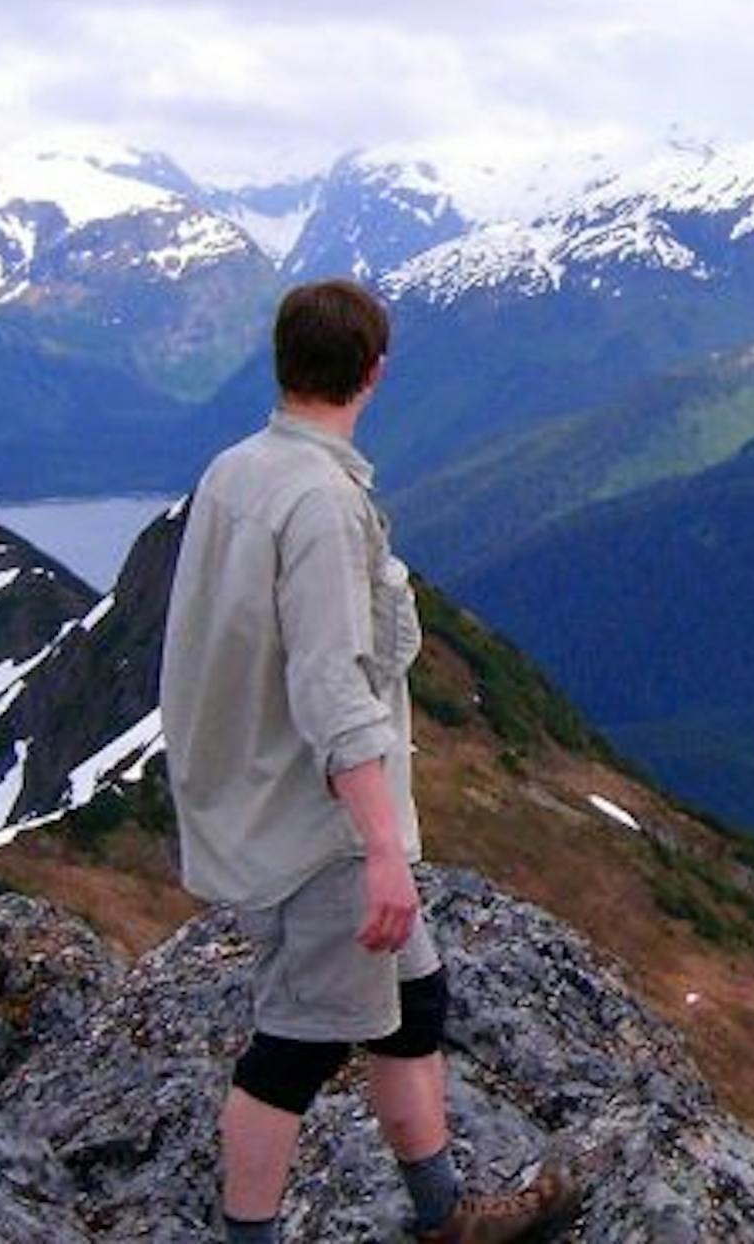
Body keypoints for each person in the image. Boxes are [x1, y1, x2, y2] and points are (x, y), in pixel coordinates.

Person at [160, 279, 582, 1244]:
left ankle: (445, 1218)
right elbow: (330, 688)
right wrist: (383, 849)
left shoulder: (237, 470)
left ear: (281, 360)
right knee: (293, 1055)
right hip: (318, 830)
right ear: (376, 373)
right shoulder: (319, 505)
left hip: (261, 798)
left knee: (414, 1001)